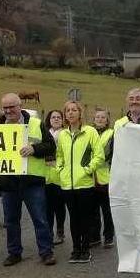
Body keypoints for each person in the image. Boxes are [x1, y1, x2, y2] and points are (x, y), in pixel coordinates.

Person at [0, 93, 56, 266]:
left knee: (40, 219)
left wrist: (34, 149)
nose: (8, 111)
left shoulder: (36, 124)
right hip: (9, 182)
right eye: (5, 107)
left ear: (20, 106)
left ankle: (46, 252)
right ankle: (14, 253)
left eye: (12, 107)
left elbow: (51, 146)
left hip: (32, 181)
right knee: (11, 221)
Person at [56, 101, 105, 263]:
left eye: (74, 110)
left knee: (85, 218)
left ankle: (85, 249)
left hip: (84, 184)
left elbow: (99, 156)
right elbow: (60, 155)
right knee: (73, 218)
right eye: (68, 111)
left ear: (80, 113)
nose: (71, 113)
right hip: (67, 185)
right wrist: (60, 169)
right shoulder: (63, 134)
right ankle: (76, 249)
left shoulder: (90, 132)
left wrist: (86, 170)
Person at [92, 108, 115, 248]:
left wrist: (95, 160)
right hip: (91, 178)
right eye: (97, 117)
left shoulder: (111, 134)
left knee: (107, 210)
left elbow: (110, 153)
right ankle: (94, 236)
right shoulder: (89, 132)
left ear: (107, 120)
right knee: (93, 210)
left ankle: (108, 236)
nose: (100, 119)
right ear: (93, 120)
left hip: (106, 177)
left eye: (103, 117)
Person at [43, 110, 67, 245]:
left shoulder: (66, 133)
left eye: (59, 117)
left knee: (59, 206)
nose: (56, 119)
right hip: (45, 174)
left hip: (60, 175)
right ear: (49, 119)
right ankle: (49, 232)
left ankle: (60, 231)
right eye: (53, 117)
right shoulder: (45, 133)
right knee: (47, 207)